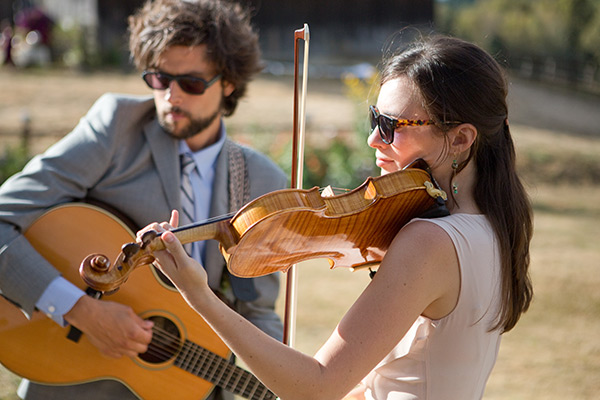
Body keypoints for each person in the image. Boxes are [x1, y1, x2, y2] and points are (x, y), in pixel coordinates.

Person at [142, 35, 534, 400]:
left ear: (462, 139)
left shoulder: (429, 241)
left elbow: (318, 386)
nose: (373, 139)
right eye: (373, 118)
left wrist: (199, 295)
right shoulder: (496, 228)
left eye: (392, 126)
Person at [0, 1, 286, 399]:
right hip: (80, 383)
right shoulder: (117, 128)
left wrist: (283, 382)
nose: (171, 97)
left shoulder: (260, 181)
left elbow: (257, 312)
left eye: (191, 83)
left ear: (229, 84)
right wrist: (81, 311)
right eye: (158, 79)